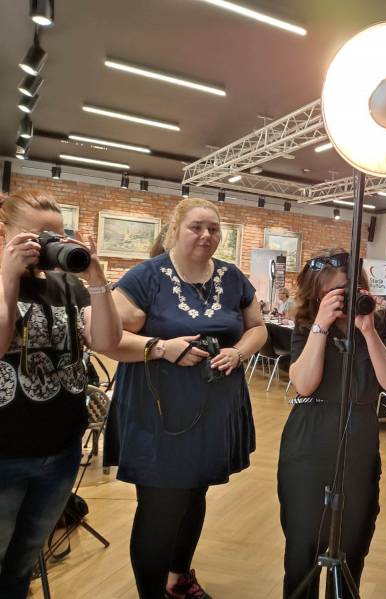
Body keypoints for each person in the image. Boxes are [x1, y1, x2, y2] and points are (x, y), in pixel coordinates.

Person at [103, 198, 267, 599]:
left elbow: (258, 328)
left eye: (213, 228)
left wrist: (239, 352)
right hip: (160, 414)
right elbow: (105, 336)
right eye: (196, 227)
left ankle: (178, 580)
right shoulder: (145, 277)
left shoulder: (232, 277)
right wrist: (161, 348)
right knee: (160, 508)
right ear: (175, 228)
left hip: (214, 410)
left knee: (195, 494)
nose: (206, 235)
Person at [0, 192, 122, 598]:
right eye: (38, 236)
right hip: (4, 453)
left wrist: (97, 278)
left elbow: (106, 341)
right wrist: (7, 277)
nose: (48, 246)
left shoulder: (67, 286)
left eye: (57, 236)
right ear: (4, 234)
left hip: (61, 451)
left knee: (24, 559)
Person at [278, 248, 386, 599]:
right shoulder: (307, 323)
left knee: (353, 543)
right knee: (302, 544)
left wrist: (368, 331)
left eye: (347, 290)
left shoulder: (379, 324)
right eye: (333, 292)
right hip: (309, 440)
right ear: (317, 293)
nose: (342, 299)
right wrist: (321, 325)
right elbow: (304, 384)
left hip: (359, 440)